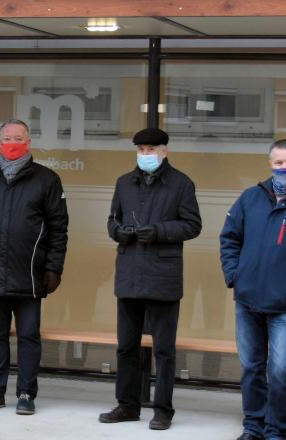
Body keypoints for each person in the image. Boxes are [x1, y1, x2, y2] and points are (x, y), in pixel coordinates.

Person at [0, 119, 68, 416]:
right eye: (7, 137)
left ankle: (26, 393)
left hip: (30, 274)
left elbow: (59, 228)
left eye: (18, 138)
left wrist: (54, 267)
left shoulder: (46, 179)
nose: (12, 142)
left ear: (28, 142)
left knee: (29, 335)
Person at [219, 139, 286, 440]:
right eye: (278, 162)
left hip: (285, 305)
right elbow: (229, 239)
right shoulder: (251, 198)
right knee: (252, 368)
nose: (284, 168)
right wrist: (235, 276)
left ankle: (276, 430)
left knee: (280, 372)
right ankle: (253, 427)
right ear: (270, 163)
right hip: (248, 300)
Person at [99, 127, 201, 430]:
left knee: (164, 350)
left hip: (163, 277)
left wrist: (159, 231)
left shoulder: (181, 183)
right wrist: (118, 232)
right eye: (141, 149)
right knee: (126, 346)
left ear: (164, 151)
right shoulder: (124, 183)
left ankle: (163, 410)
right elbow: (112, 220)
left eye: (151, 149)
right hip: (130, 272)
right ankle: (127, 405)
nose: (145, 155)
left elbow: (192, 225)